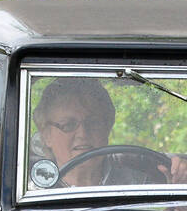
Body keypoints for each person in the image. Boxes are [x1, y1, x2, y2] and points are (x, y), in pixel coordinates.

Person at [33, 78, 161, 188]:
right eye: (68, 125)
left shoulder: (139, 186)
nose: (83, 133)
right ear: (46, 135)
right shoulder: (32, 194)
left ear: (107, 128)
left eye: (93, 123)